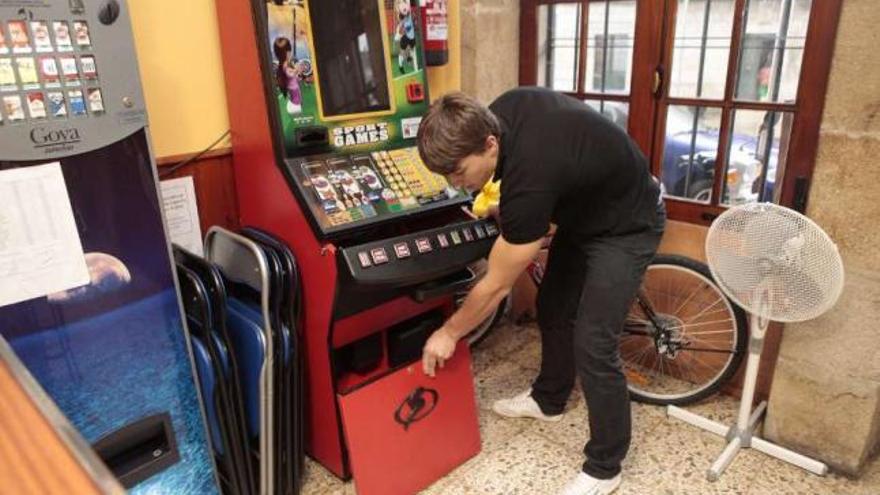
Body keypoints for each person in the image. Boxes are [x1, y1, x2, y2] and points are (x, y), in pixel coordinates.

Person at [416, 87, 665, 495]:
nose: (456, 183)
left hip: (628, 224)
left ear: (489, 143)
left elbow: (495, 285)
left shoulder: (531, 179)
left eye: (458, 171)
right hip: (586, 213)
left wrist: (449, 332)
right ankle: (549, 400)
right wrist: (516, 209)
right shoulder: (499, 113)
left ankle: (605, 466)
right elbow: (540, 179)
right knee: (552, 304)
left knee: (594, 344)